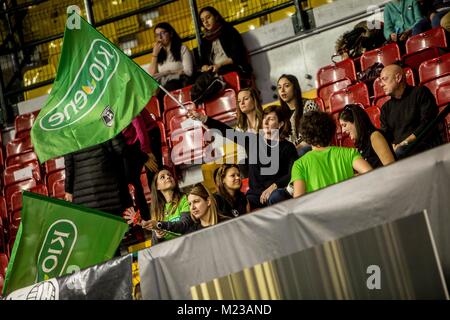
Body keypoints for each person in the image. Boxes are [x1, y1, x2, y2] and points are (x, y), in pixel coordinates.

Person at [189, 105, 298, 209]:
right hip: (255, 195)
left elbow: (293, 173)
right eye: (264, 118)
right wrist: (203, 118)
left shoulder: (288, 147)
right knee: (235, 204)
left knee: (276, 197)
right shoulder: (254, 140)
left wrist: (274, 186)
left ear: (280, 124)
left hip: (276, 192)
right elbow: (228, 132)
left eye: (270, 119)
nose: (265, 122)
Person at [290, 111, 373, 198]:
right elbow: (372, 175)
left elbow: (298, 202)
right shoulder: (349, 153)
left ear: (306, 136)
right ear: (331, 131)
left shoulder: (299, 165)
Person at [379, 64, 443, 159]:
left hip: (424, 144)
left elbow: (428, 123)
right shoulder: (385, 108)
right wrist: (391, 146)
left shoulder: (420, 93)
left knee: (400, 152)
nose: (381, 84)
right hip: (401, 150)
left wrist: (406, 142)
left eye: (384, 79)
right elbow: (386, 135)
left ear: (398, 78)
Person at [64, 134, 133, 217]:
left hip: (84, 197)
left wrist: (68, 190)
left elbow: (69, 166)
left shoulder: (70, 132)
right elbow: (120, 149)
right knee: (117, 228)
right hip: (111, 193)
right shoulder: (104, 123)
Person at [123, 168, 189, 244]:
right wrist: (158, 236)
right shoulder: (157, 210)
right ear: (157, 186)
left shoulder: (184, 199)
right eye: (162, 177)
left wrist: (160, 225)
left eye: (169, 175)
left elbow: (185, 225)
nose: (168, 177)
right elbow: (154, 245)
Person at [138, 183, 228, 236]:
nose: (192, 207)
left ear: (208, 201)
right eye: (189, 204)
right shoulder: (192, 233)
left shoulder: (229, 223)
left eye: (196, 201)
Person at [121, 108, 161, 220]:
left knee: (154, 176)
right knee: (132, 180)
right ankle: (145, 219)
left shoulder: (122, 98)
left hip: (148, 133)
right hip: (130, 144)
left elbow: (139, 125)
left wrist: (146, 151)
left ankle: (163, 213)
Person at [148, 22, 194, 112]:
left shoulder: (182, 49)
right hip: (163, 86)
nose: (160, 37)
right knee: (151, 97)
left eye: (163, 33)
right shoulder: (159, 55)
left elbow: (189, 71)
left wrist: (168, 73)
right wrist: (155, 54)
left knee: (165, 91)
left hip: (179, 82)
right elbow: (152, 75)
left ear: (171, 33)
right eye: (157, 35)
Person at [199, 6, 252, 77]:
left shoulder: (228, 31)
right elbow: (203, 62)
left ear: (216, 17)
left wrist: (220, 65)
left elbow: (238, 55)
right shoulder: (205, 40)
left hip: (232, 67)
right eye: (202, 20)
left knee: (221, 72)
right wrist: (205, 67)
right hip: (214, 71)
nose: (205, 22)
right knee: (200, 79)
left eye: (208, 17)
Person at [339, 104, 396, 168]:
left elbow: (391, 167)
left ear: (355, 121)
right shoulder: (361, 144)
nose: (343, 131)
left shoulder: (375, 137)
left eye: (344, 125)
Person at [277, 74, 311, 156]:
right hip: (290, 151)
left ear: (295, 88)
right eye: (279, 87)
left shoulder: (308, 105)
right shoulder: (280, 113)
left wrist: (292, 149)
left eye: (286, 86)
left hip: (308, 148)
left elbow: (312, 135)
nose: (282, 90)